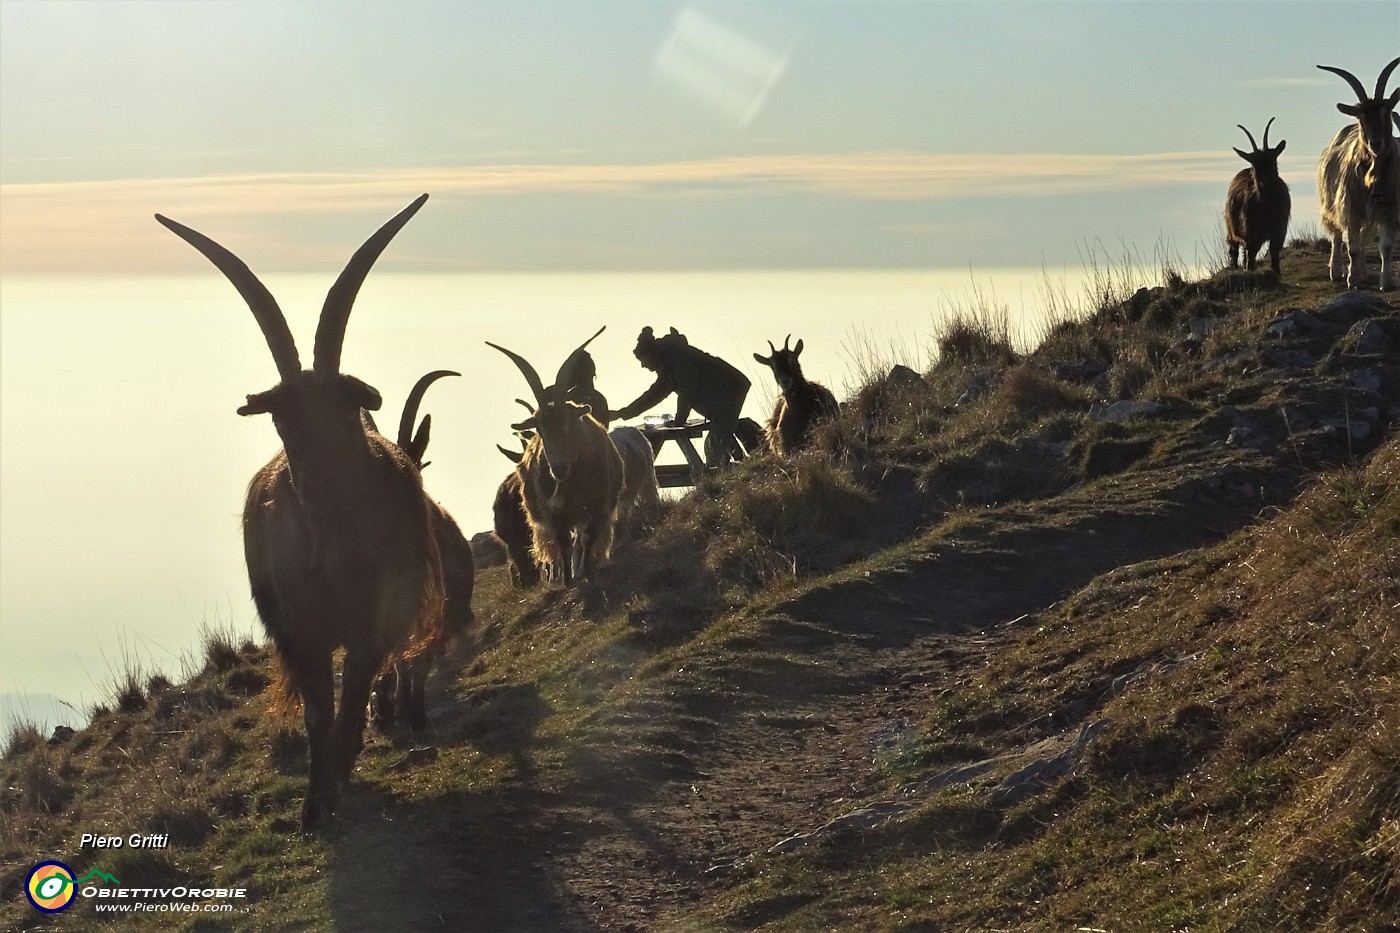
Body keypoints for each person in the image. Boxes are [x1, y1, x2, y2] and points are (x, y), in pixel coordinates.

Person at [611, 326, 751, 467]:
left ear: (650, 355)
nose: (642, 365)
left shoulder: (680, 360)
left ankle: (730, 474)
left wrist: (679, 421)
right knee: (720, 436)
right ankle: (744, 466)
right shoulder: (668, 367)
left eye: (642, 360)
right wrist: (622, 413)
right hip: (725, 395)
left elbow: (687, 394)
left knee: (713, 447)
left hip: (732, 389)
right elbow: (652, 396)